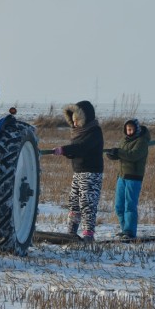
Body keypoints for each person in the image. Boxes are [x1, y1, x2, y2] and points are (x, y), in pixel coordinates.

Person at [52, 100, 104, 242]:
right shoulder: (78, 132)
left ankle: (88, 233)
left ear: (85, 118)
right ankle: (71, 232)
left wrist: (64, 149)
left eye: (77, 120)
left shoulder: (94, 132)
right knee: (74, 202)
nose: (74, 124)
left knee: (87, 203)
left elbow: (82, 147)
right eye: (73, 121)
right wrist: (66, 152)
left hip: (91, 173)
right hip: (78, 172)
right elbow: (75, 151)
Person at [106, 119, 150, 240]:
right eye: (127, 129)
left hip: (133, 177)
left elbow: (133, 155)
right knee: (119, 205)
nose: (128, 131)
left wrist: (118, 152)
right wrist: (113, 155)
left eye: (131, 129)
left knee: (129, 205)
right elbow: (122, 154)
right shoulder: (124, 141)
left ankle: (130, 232)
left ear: (136, 129)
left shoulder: (142, 142)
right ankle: (125, 229)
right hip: (122, 176)